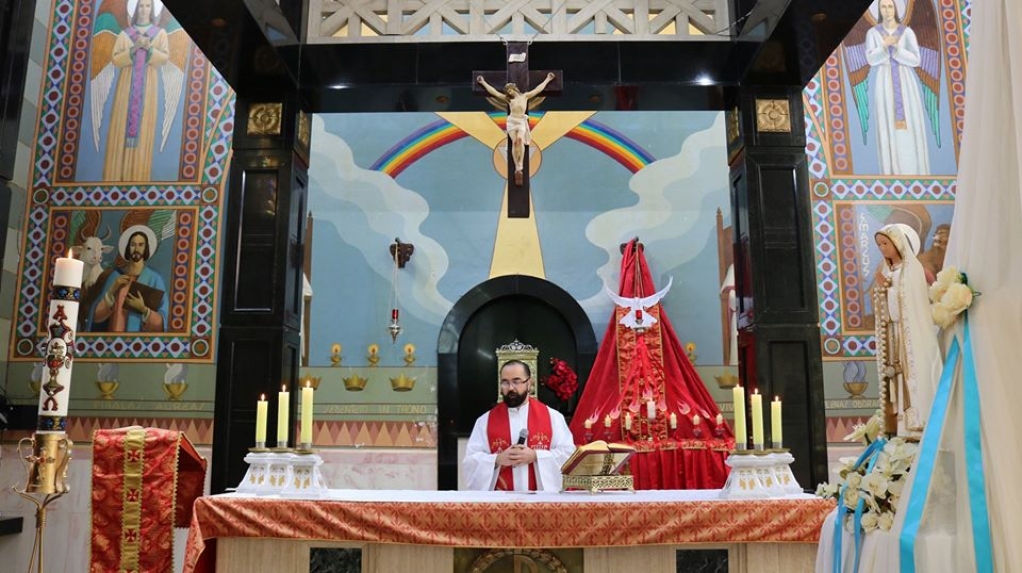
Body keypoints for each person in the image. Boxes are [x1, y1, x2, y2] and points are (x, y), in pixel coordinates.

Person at [462, 359, 575, 491]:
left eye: (516, 381)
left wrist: (535, 456)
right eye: (505, 382)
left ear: (529, 383)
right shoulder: (485, 421)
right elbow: (470, 462)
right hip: (500, 506)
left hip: (541, 505)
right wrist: (497, 459)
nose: (510, 388)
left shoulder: (553, 417)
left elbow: (568, 456)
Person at [872, 223, 940, 439]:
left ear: (898, 244)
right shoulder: (886, 271)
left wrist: (886, 289)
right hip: (892, 333)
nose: (882, 248)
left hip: (909, 334)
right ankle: (899, 425)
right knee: (895, 378)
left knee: (910, 374)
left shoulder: (912, 270)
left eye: (885, 243)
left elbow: (910, 302)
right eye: (879, 244)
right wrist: (883, 290)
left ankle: (914, 423)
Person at [102, 0, 171, 181]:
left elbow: (164, 57)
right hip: (126, 87)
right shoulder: (125, 35)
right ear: (135, 9)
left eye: (148, 6)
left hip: (148, 87)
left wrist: (149, 49)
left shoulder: (160, 34)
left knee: (144, 126)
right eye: (141, 6)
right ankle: (114, 176)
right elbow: (116, 59)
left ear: (152, 10)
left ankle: (139, 177)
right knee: (121, 125)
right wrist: (133, 50)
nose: (144, 9)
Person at [865, 0, 931, 175]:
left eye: (890, 6)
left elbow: (916, 59)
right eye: (883, 7)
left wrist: (896, 48)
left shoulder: (907, 32)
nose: (887, 10)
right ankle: (892, 173)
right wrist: (885, 47)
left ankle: (917, 172)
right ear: (878, 10)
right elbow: (871, 60)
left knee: (911, 123)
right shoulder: (873, 33)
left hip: (906, 83)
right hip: (885, 82)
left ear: (896, 8)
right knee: (887, 123)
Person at [476, 72, 556, 186]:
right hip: (512, 122)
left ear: (515, 89)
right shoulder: (509, 100)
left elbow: (538, 90)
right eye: (508, 92)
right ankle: (516, 168)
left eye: (510, 90)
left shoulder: (525, 96)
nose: (509, 92)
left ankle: (520, 165)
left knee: (520, 140)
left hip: (521, 122)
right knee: (515, 143)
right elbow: (494, 92)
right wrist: (483, 82)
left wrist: (548, 79)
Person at [89, 225, 168, 332]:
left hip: (140, 343)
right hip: (113, 341)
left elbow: (162, 323)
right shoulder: (115, 276)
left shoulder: (154, 279)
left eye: (141, 245)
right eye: (132, 245)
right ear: (127, 248)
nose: (136, 249)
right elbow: (96, 317)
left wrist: (143, 309)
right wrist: (112, 291)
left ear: (146, 248)